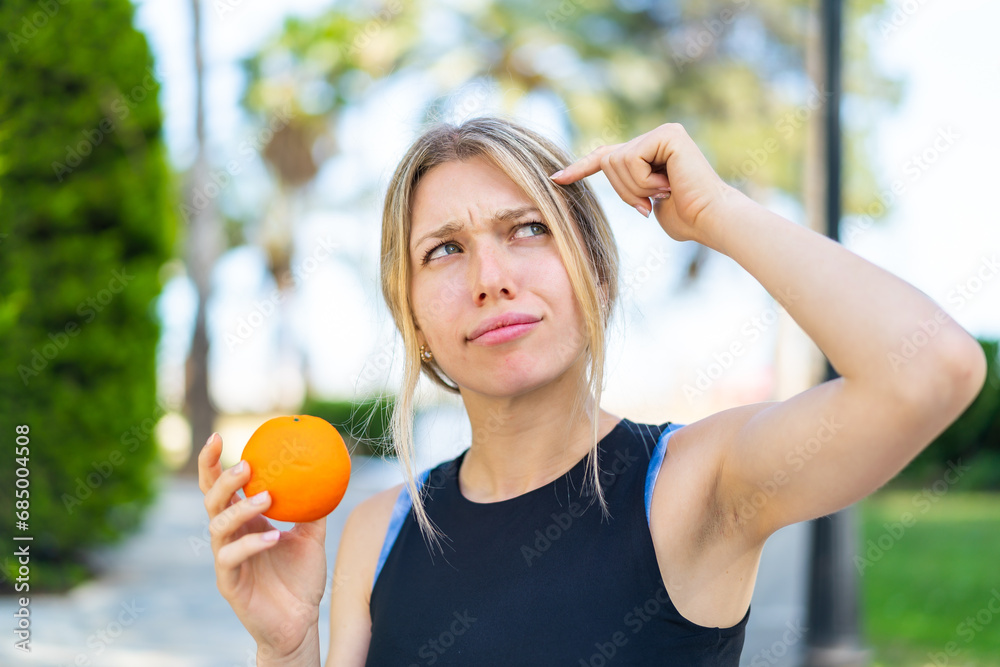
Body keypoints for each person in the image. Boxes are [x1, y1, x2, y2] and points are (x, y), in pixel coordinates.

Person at [198, 115, 987, 666]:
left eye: (528, 229)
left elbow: (932, 369)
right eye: (444, 250)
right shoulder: (383, 527)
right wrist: (285, 645)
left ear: (597, 272)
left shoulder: (690, 484)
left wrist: (716, 213)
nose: (491, 279)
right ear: (412, 314)